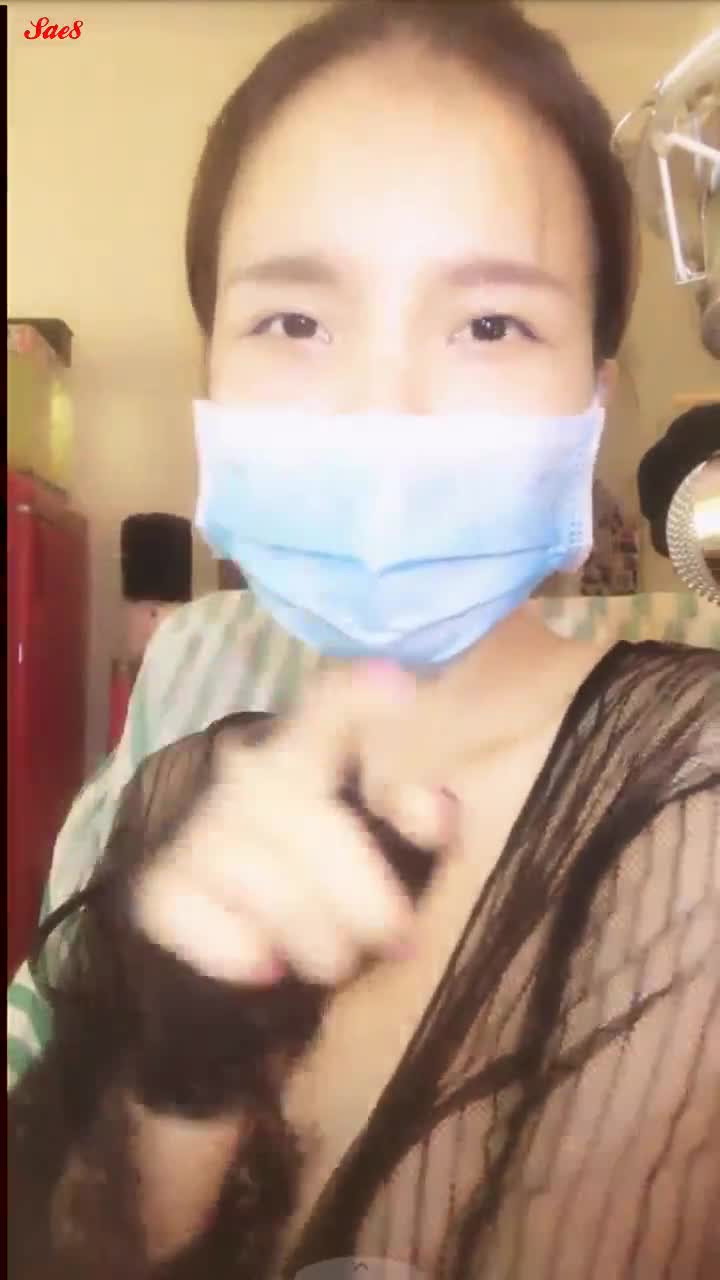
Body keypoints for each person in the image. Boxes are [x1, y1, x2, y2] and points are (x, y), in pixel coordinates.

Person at [8, 2, 719, 1277]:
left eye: (490, 325)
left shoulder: (703, 798)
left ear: (591, 410)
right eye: (295, 322)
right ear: (213, 382)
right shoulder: (163, 803)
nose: (384, 412)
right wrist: (183, 1081)